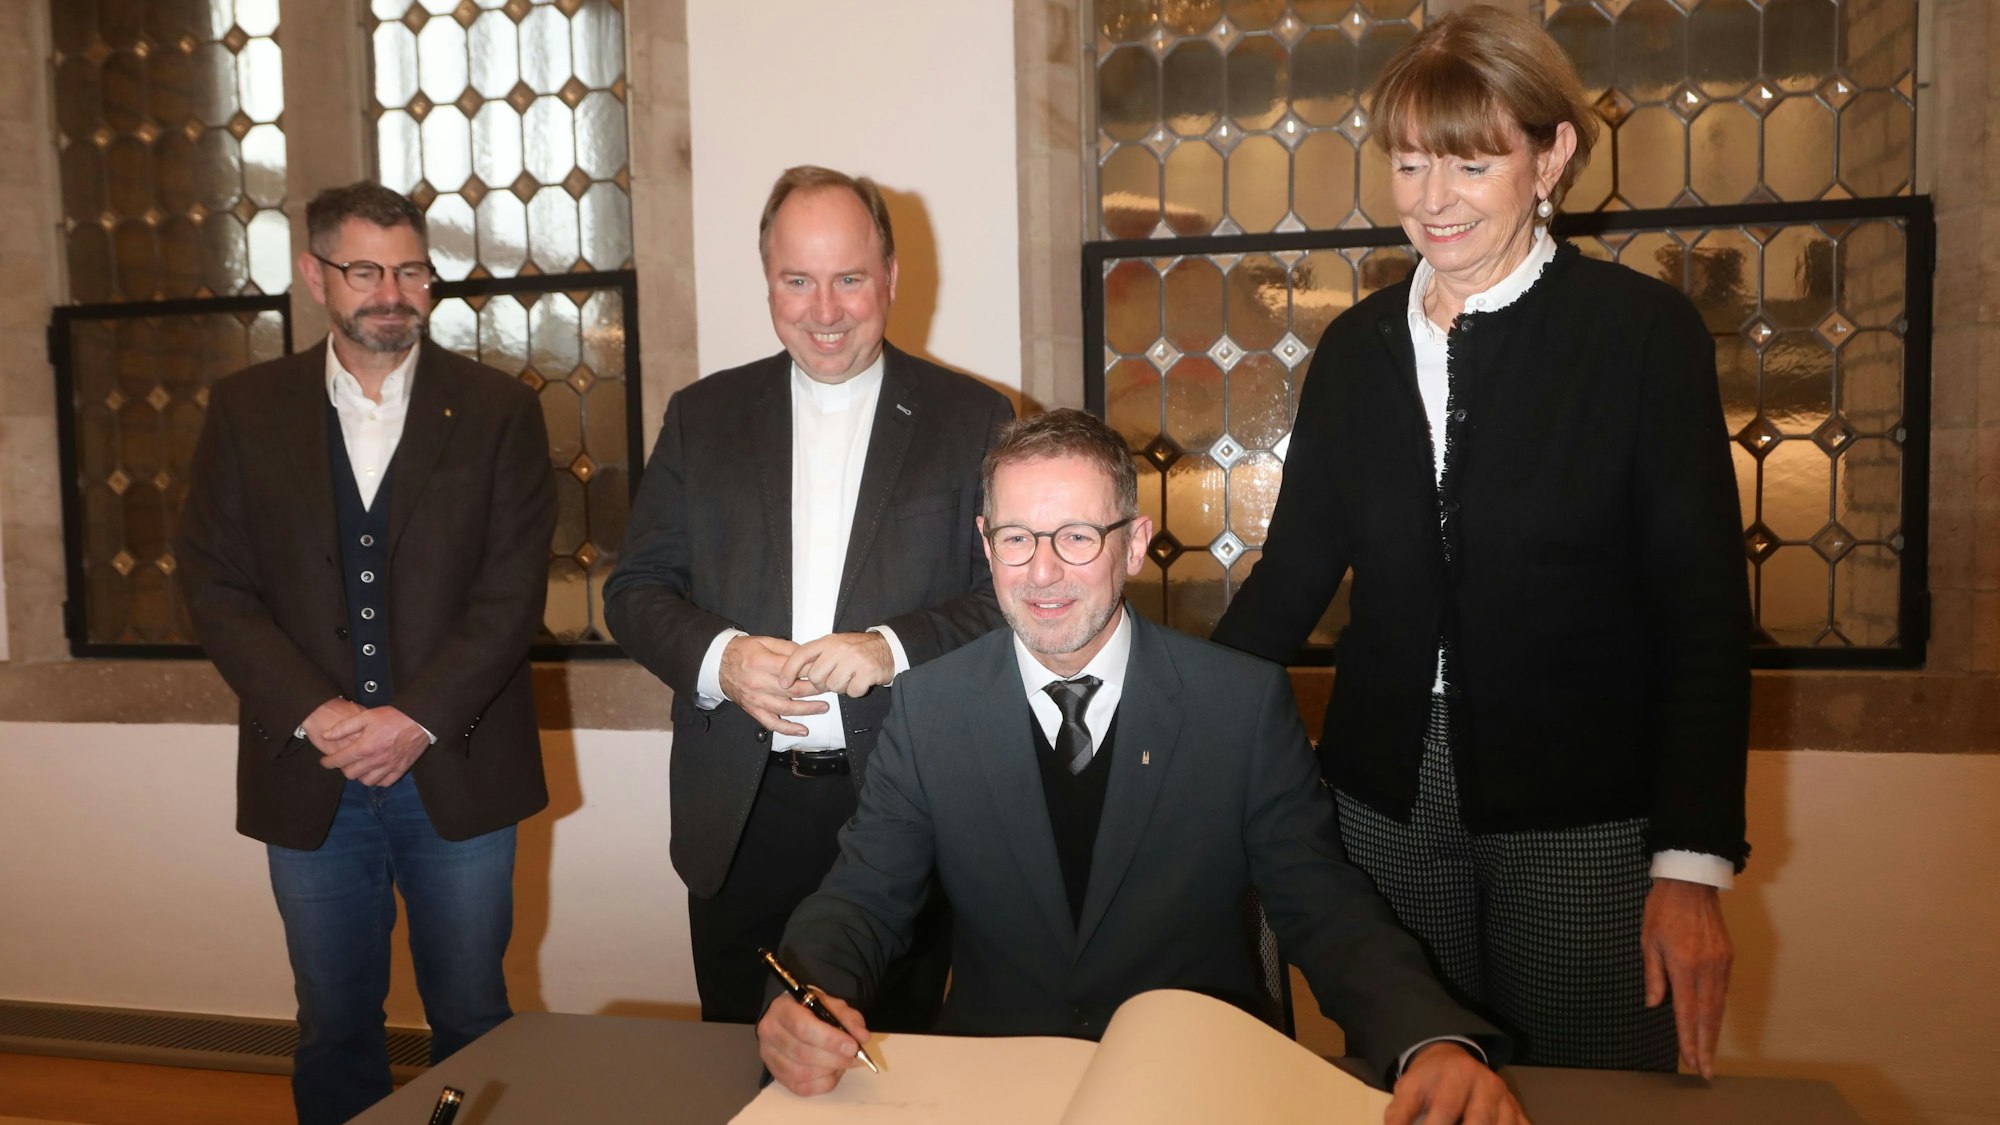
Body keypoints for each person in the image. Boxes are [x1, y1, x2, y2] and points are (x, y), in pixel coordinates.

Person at [1210, 5, 1750, 1077]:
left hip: (1584, 813)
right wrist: (1159, 717)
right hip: (1380, 800)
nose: (1430, 202)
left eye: (1468, 164)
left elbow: (1700, 613)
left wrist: (1689, 865)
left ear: (1549, 156)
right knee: (1410, 1075)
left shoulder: (1638, 336)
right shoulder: (1356, 349)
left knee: (1586, 1083)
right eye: (1408, 166)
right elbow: (1292, 579)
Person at [759, 410, 1527, 1125]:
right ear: (985, 544)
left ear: (1133, 543)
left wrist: (1429, 1038)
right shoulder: (930, 709)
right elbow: (864, 895)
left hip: (1199, 1080)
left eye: (1077, 537)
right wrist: (809, 989)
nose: (1043, 571)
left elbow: (1320, 902)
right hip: (1000, 1081)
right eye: (1019, 538)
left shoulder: (1238, 703)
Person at [176, 182, 556, 1124]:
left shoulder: (501, 409)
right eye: (364, 270)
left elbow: (511, 595)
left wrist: (414, 718)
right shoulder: (245, 409)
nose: (392, 291)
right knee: (333, 1023)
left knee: (475, 1015)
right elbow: (213, 584)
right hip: (309, 775)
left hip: (458, 767)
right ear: (315, 276)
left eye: (411, 269)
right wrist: (318, 714)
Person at [604, 166, 1013, 1028]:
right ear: (768, 283)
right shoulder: (701, 416)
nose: (824, 309)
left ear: (891, 279)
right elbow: (636, 589)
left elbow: (1006, 596)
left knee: (890, 1069)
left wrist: (889, 648)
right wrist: (724, 658)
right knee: (736, 1060)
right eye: (798, 280)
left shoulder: (974, 419)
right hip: (740, 811)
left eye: (849, 279)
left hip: (903, 803)